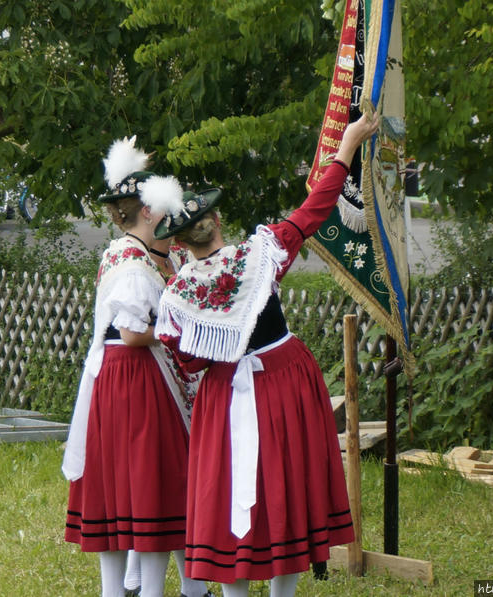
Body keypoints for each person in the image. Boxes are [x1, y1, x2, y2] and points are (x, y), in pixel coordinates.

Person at [154, 111, 381, 596]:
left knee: (232, 496)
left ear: (177, 243)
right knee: (286, 488)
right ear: (215, 221)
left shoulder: (177, 295)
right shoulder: (260, 254)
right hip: (284, 379)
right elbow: (314, 210)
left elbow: (188, 362)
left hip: (225, 395)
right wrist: (345, 149)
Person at [62, 137, 209, 597]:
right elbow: (132, 332)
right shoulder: (128, 259)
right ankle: (141, 588)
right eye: (164, 206)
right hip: (133, 377)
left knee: (152, 482)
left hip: (137, 376)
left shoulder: (150, 253)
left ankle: (164, 587)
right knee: (146, 482)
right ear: (147, 210)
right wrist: (185, 333)